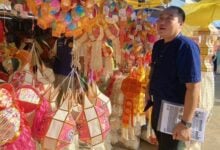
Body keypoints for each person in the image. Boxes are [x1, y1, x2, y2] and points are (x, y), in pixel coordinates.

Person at [147, 6, 201, 149]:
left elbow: (194, 87)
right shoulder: (158, 45)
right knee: (163, 145)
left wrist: (185, 123)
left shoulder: (186, 47)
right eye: (161, 18)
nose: (162, 22)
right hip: (159, 106)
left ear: (181, 24)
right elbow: (153, 70)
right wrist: (148, 91)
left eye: (169, 18)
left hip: (177, 112)